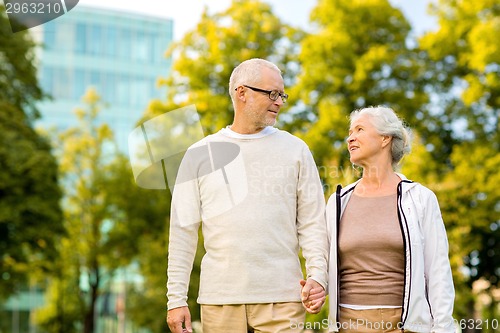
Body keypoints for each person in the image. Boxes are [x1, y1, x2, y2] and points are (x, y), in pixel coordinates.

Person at [166, 58, 328, 333]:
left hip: (283, 299)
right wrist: (176, 299)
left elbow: (313, 222)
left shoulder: (296, 150)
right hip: (220, 300)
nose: (279, 101)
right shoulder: (199, 154)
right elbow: (183, 231)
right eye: (272, 93)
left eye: (282, 95)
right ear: (242, 93)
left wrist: (318, 277)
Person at [325, 106, 456, 333]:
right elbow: (325, 264)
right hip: (349, 324)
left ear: (385, 138)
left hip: (405, 326)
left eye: (359, 129)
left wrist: (443, 328)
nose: (350, 138)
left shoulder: (420, 199)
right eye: (350, 131)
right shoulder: (338, 201)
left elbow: (438, 272)